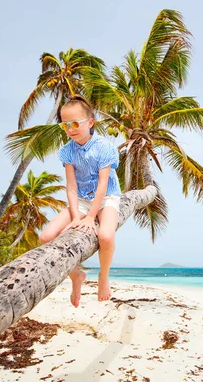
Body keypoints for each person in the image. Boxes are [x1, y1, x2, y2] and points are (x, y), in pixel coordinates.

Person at [39, 95, 121, 307]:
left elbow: (103, 185)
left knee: (105, 235)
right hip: (82, 199)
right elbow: (71, 186)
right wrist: (76, 216)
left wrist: (91, 217)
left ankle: (104, 276)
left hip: (107, 197)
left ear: (90, 122)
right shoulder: (67, 151)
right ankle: (76, 276)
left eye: (75, 123)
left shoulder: (104, 147)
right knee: (46, 236)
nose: (71, 129)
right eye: (65, 125)